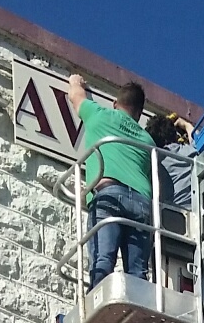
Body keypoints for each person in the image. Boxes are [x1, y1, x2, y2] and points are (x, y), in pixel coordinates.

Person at [68, 73, 154, 288]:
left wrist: (75, 81)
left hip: (109, 193)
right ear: (139, 113)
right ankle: (138, 313)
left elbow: (75, 97)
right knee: (137, 271)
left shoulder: (100, 115)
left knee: (103, 260)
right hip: (142, 203)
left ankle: (97, 303)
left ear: (115, 103)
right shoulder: (147, 140)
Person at [147, 111, 194, 214]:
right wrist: (186, 125)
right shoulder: (192, 151)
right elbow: (196, 137)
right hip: (198, 213)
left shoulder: (154, 159)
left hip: (172, 218)